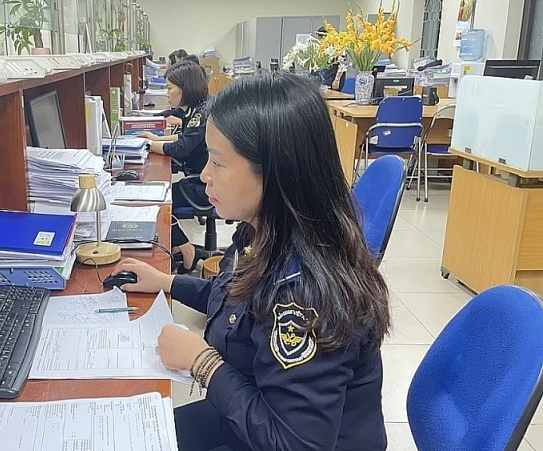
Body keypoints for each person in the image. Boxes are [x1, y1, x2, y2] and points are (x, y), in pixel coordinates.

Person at [111, 73, 391, 450]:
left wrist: (203, 364)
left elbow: (295, 443)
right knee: (133, 434)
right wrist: (167, 282)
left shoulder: (305, 295)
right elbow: (238, 294)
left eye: (219, 163)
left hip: (281, 435)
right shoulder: (265, 228)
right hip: (255, 407)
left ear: (275, 172)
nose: (204, 175)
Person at [138, 61, 210, 274]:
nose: (167, 93)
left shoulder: (201, 113)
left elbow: (181, 148)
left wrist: (151, 145)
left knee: (158, 205)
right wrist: (156, 139)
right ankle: (180, 246)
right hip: (199, 178)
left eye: (170, 88)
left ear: (185, 88)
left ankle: (187, 250)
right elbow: (186, 137)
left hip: (203, 185)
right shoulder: (194, 109)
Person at [316, 26, 346, 91]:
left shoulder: (338, 47)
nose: (320, 41)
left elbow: (342, 65)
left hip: (334, 79)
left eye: (321, 38)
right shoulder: (324, 48)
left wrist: (337, 79)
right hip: (326, 77)